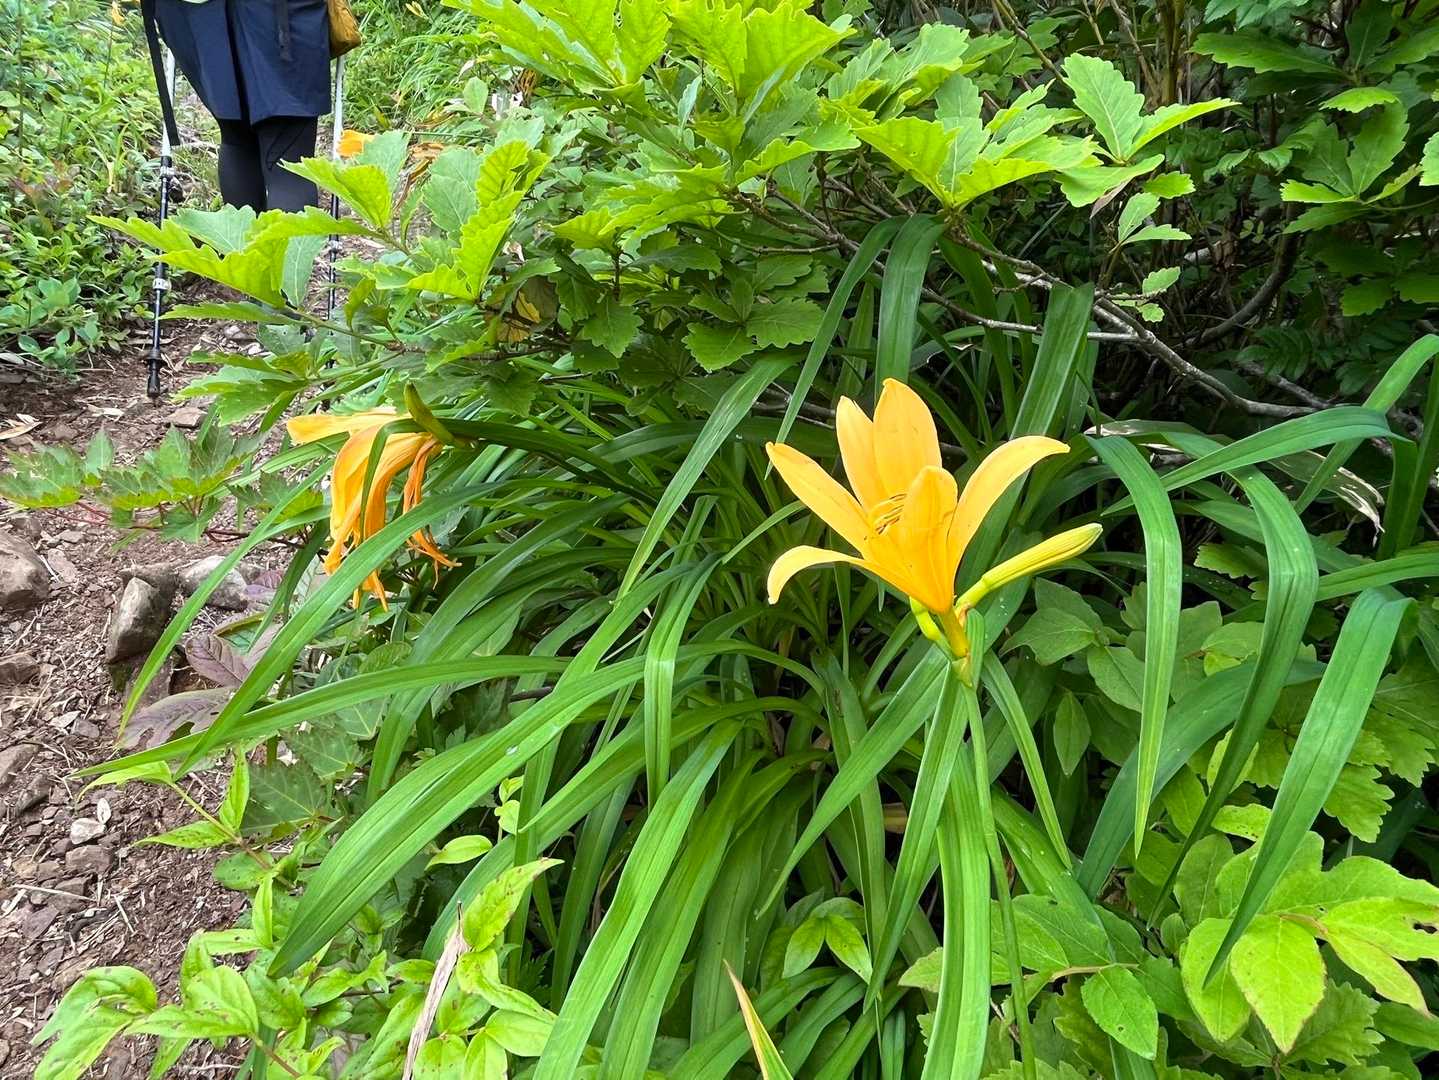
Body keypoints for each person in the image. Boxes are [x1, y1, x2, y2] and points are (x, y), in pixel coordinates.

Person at [145, 0, 330, 213]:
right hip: (273, 11)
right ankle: (288, 236)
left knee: (236, 133)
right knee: (287, 155)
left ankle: (244, 235)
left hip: (188, 10)